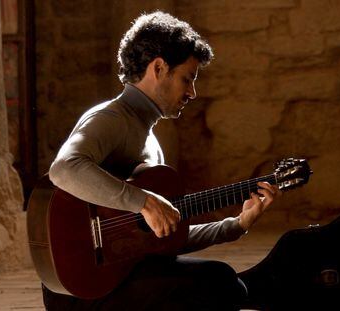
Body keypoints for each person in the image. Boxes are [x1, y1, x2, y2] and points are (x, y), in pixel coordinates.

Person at [44, 11, 281, 311]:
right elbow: (64, 168)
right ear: (159, 68)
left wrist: (235, 225)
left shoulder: (150, 140)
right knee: (219, 283)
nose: (192, 92)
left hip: (118, 278)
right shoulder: (110, 118)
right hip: (82, 290)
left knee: (225, 282)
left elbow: (161, 240)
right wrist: (143, 201)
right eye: (187, 78)